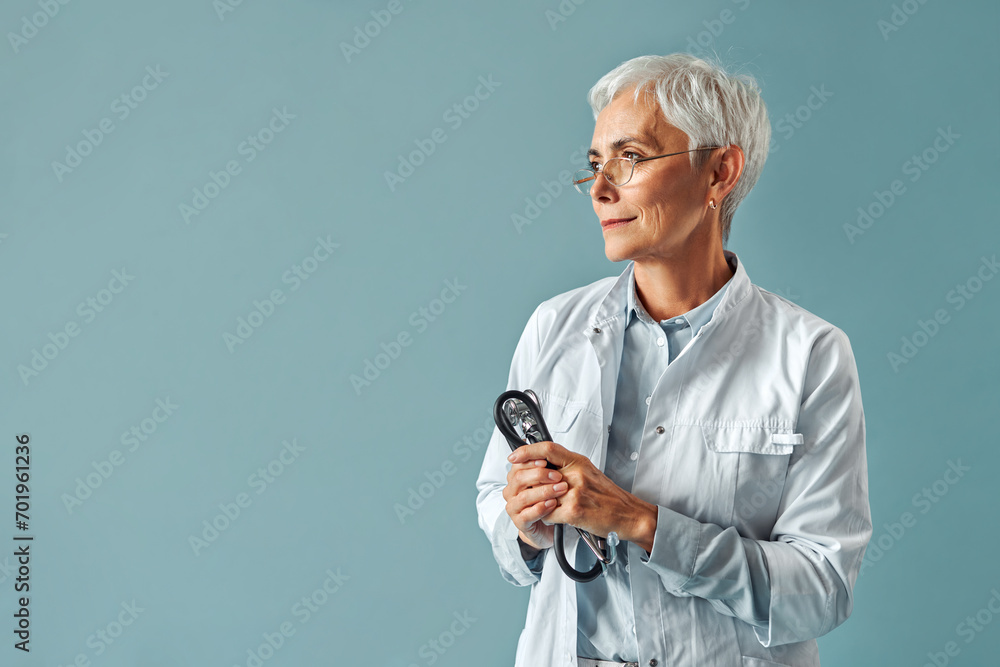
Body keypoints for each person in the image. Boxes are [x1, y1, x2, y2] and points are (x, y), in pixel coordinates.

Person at [474, 53, 872, 667]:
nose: (601, 189)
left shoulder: (810, 354)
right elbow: (500, 522)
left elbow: (822, 589)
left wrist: (644, 524)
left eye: (631, 157)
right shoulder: (553, 327)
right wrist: (524, 523)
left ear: (720, 172)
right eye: (594, 165)